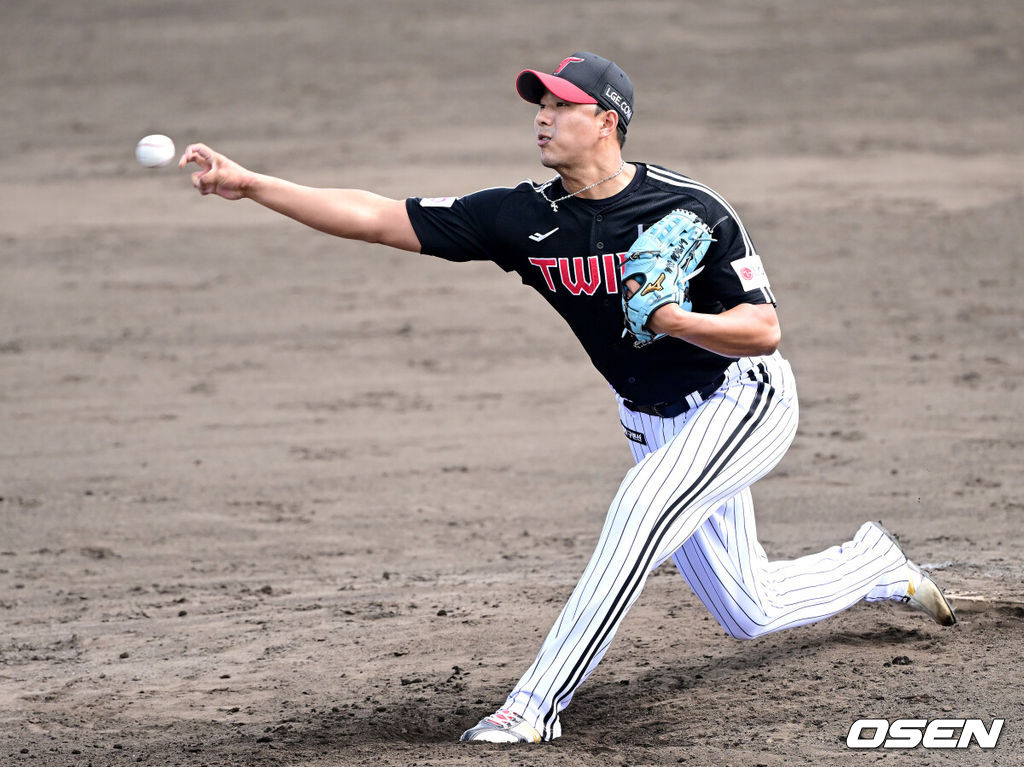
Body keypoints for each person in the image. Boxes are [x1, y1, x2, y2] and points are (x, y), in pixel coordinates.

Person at [180, 51, 956, 744]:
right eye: (539, 105)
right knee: (747, 608)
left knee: (640, 509)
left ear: (607, 121)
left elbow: (764, 330)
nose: (543, 117)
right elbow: (383, 217)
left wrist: (675, 318)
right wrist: (253, 185)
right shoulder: (525, 216)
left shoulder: (692, 210)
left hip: (740, 399)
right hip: (652, 418)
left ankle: (535, 704)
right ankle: (874, 563)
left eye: (560, 105)